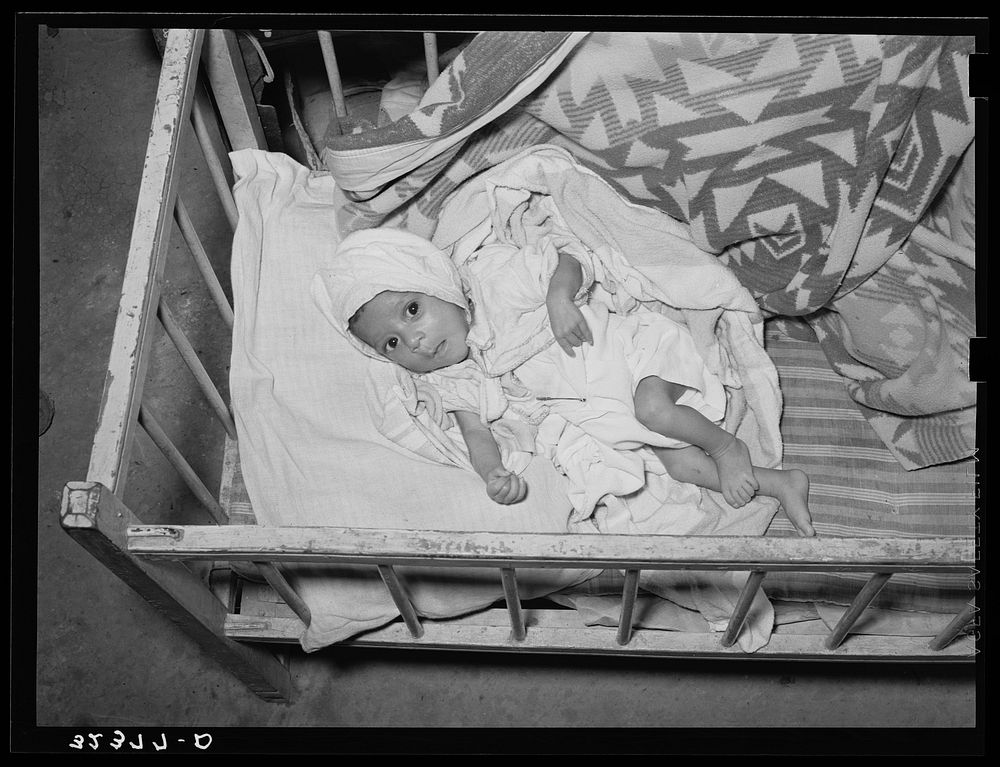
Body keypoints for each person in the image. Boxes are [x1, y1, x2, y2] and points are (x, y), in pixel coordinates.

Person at [318, 227, 814, 537]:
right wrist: (491, 473)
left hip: (628, 350)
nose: (417, 341)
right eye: (392, 343)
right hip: (601, 404)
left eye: (412, 310)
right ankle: (781, 483)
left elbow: (565, 259)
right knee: (679, 466)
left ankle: (728, 448)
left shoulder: (493, 284)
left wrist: (559, 298)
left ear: (440, 286)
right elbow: (476, 435)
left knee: (655, 412)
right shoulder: (457, 377)